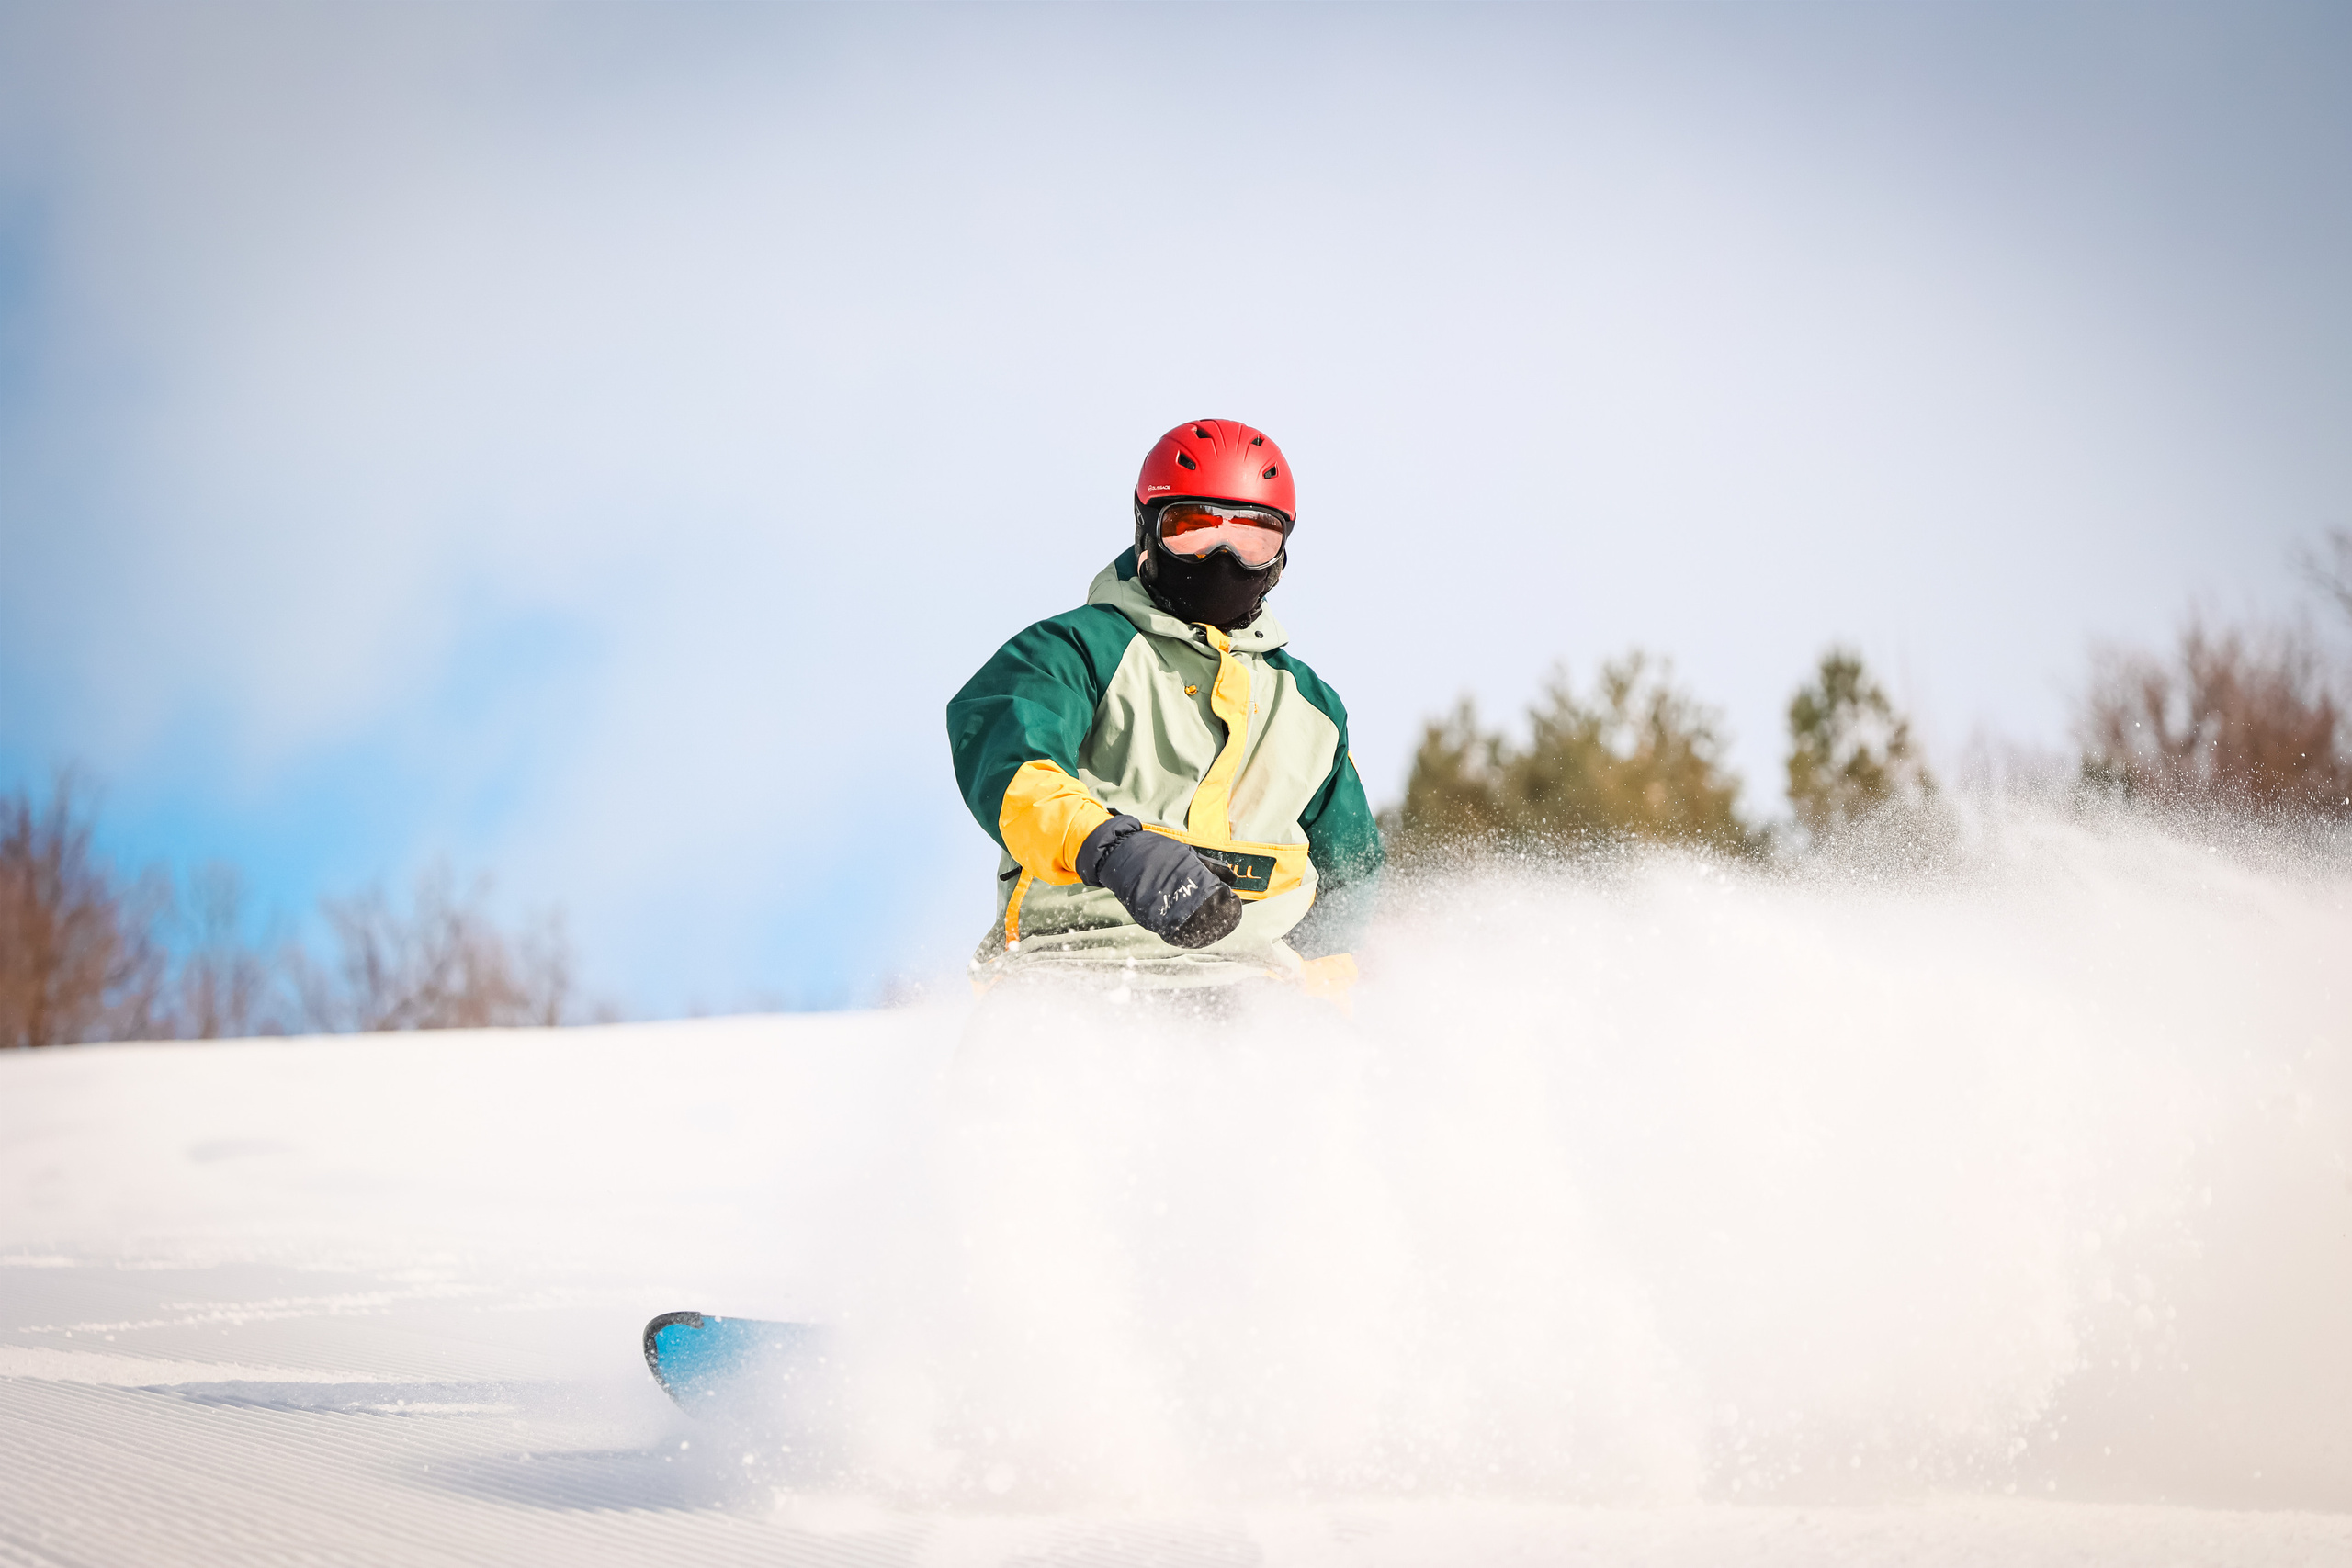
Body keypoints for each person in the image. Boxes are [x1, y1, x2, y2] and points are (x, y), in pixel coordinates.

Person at [946, 419, 1384, 996]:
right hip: (1077, 965)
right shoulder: (1072, 653)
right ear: (1147, 533)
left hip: (1251, 987)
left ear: (1281, 554)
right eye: (1193, 530)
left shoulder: (1309, 710)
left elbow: (1353, 873)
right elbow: (1015, 770)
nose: (1222, 557)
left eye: (1254, 538)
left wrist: (1325, 987)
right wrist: (1113, 851)